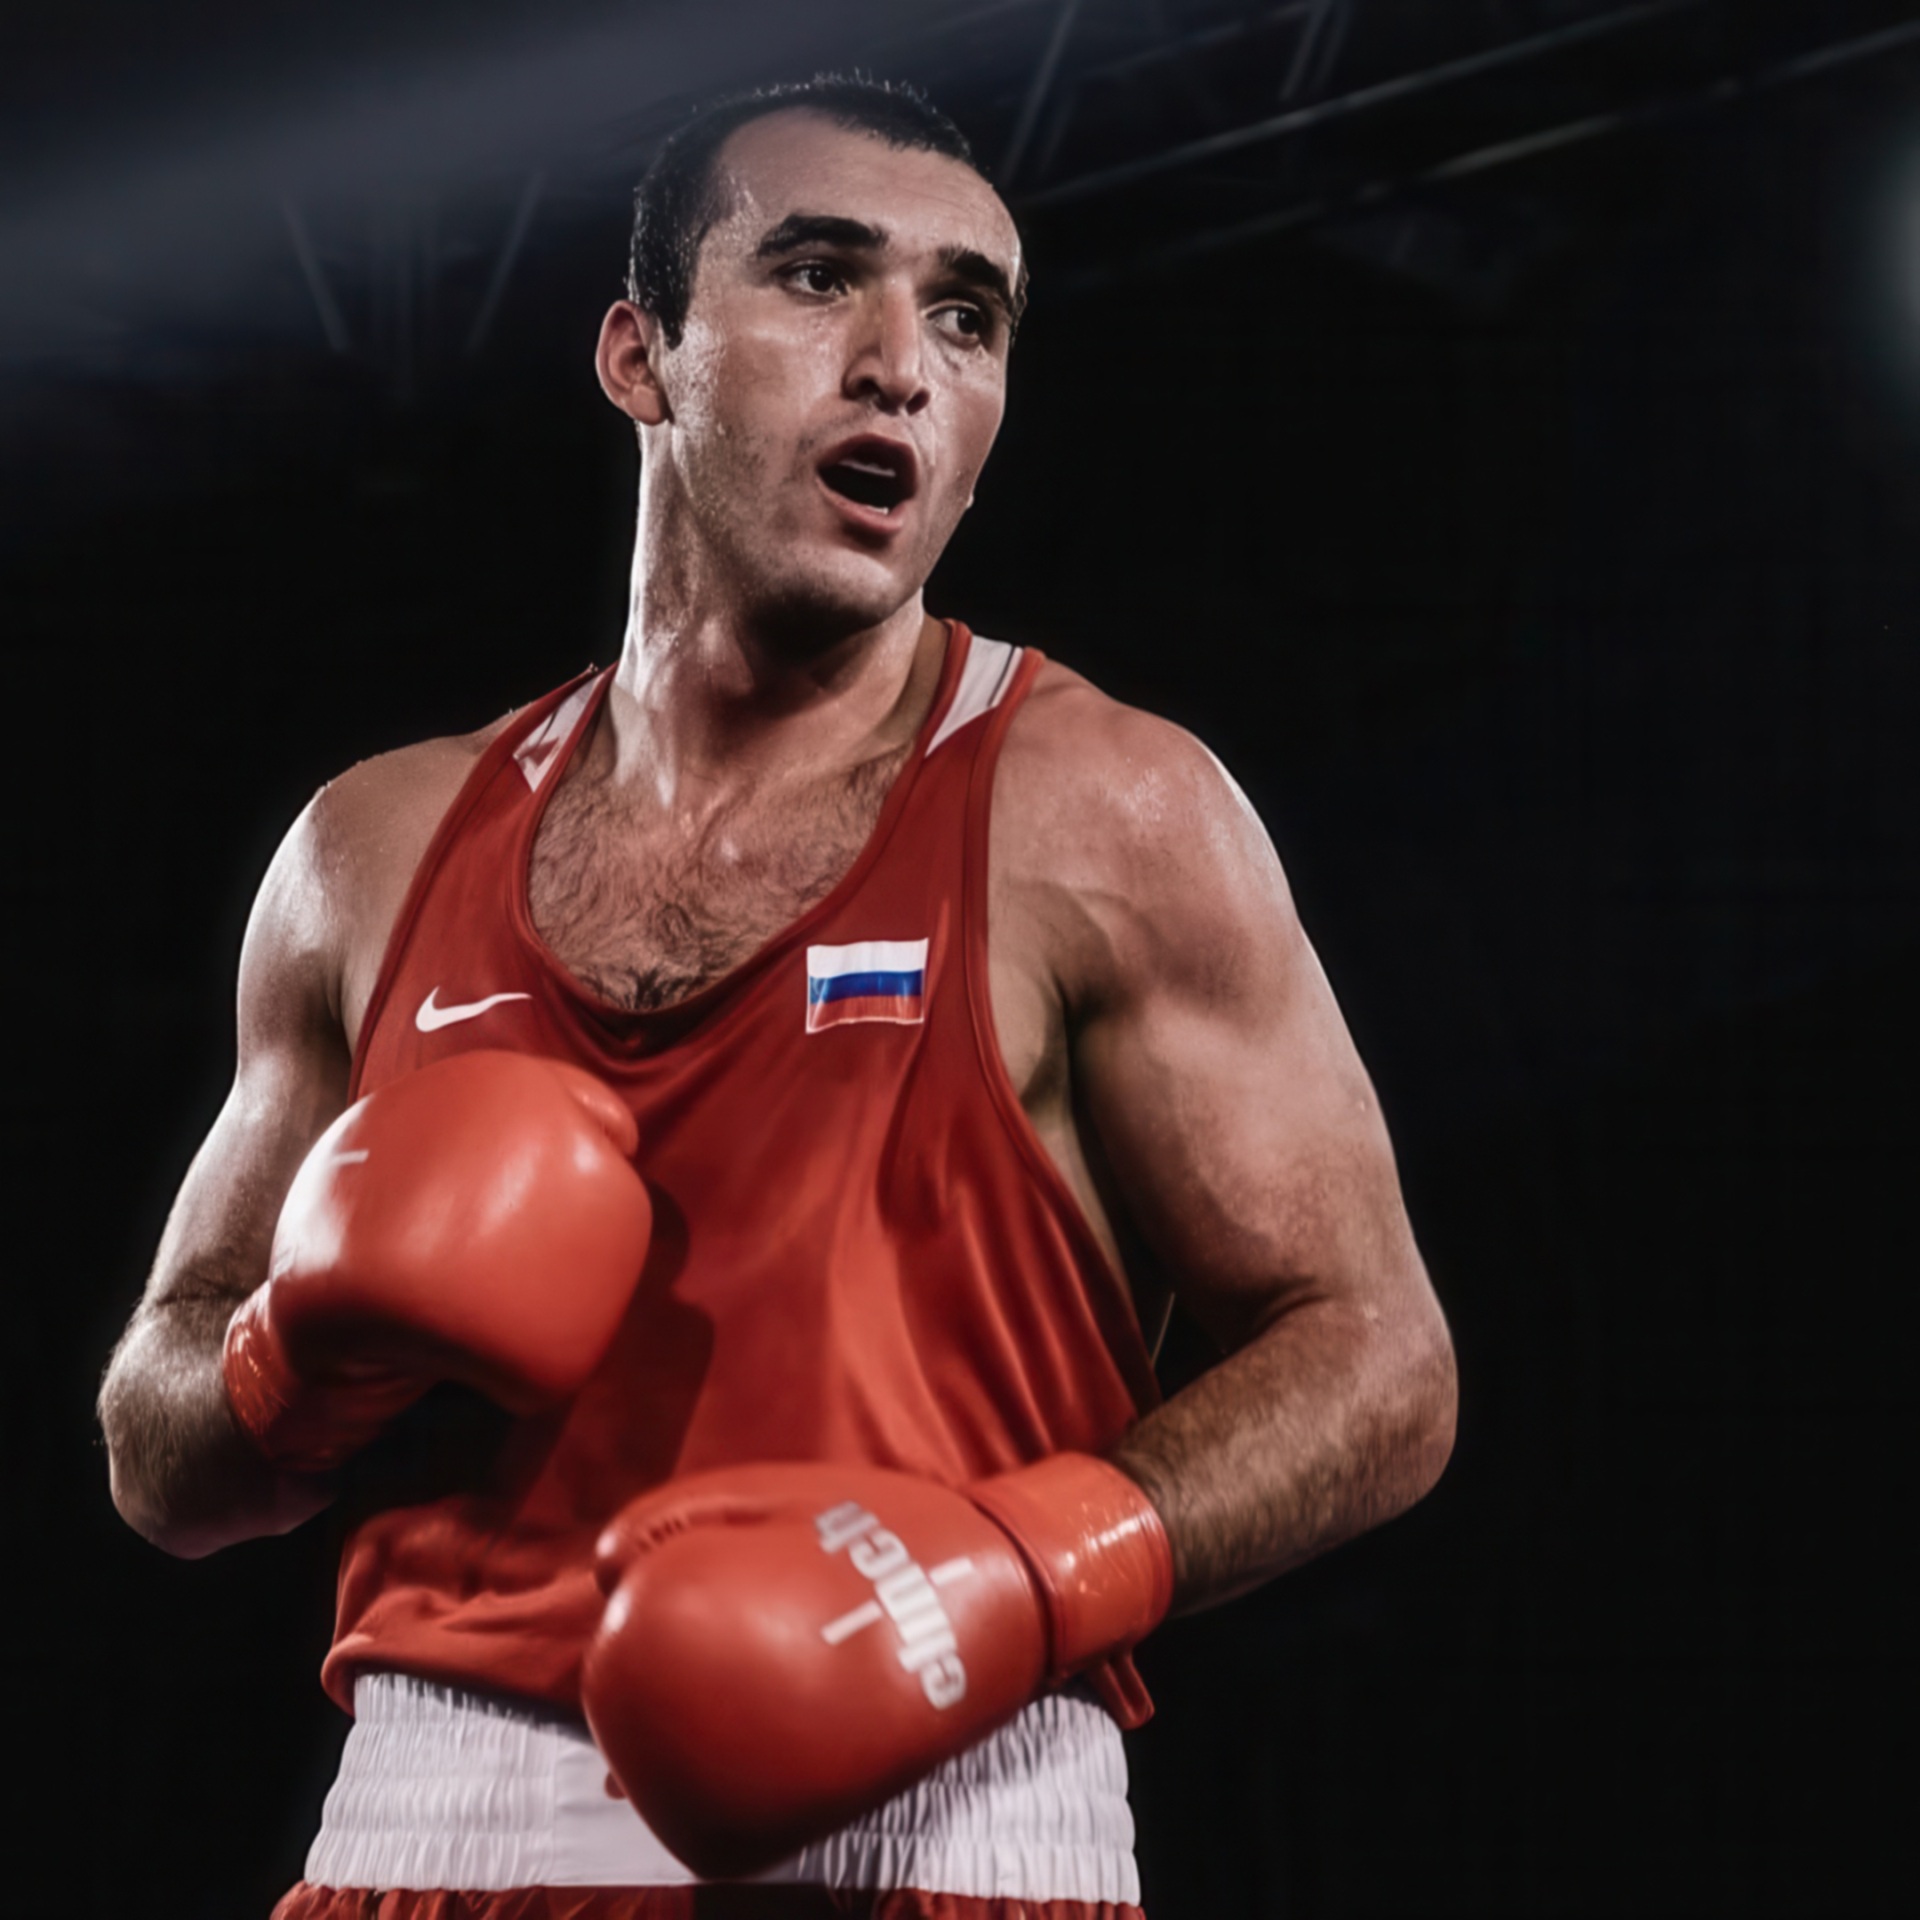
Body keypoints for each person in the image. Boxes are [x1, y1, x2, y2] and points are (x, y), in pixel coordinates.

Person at [98, 74, 1457, 1920]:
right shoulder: (374, 850)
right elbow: (157, 1457)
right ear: (640, 357)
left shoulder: (1110, 812)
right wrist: (297, 1349)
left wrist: (1012, 1573)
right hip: (425, 1833)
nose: (902, 365)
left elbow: (1379, 1363)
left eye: (967, 318)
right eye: (822, 278)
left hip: (949, 1832)